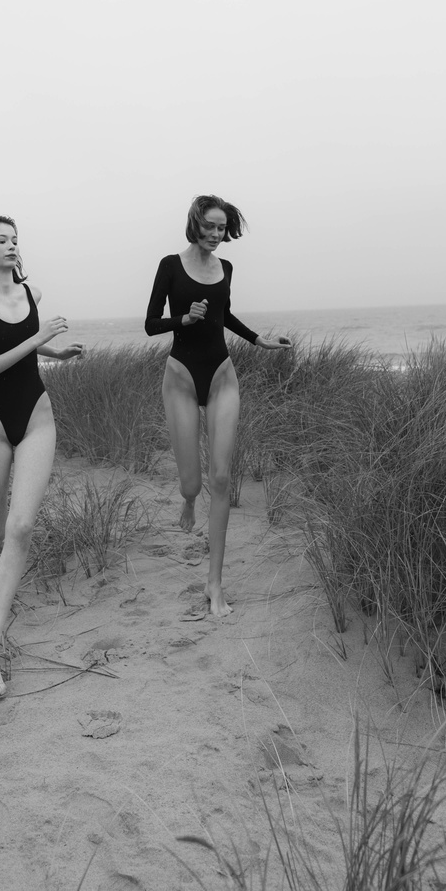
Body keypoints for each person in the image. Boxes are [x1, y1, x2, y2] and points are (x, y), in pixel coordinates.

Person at [0, 214, 82, 696]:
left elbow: (24, 350)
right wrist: (39, 339)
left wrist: (56, 354)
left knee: (21, 527)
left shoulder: (32, 296)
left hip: (36, 417)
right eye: (1, 239)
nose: (11, 245)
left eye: (14, 239)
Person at [145, 195, 291, 617]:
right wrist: (183, 320)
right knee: (193, 483)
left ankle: (214, 583)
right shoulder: (170, 266)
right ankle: (188, 499)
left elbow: (224, 314)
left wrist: (258, 340)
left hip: (223, 374)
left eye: (222, 229)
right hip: (181, 378)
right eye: (209, 226)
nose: (215, 235)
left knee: (222, 478)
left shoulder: (225, 268)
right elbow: (152, 323)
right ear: (195, 223)